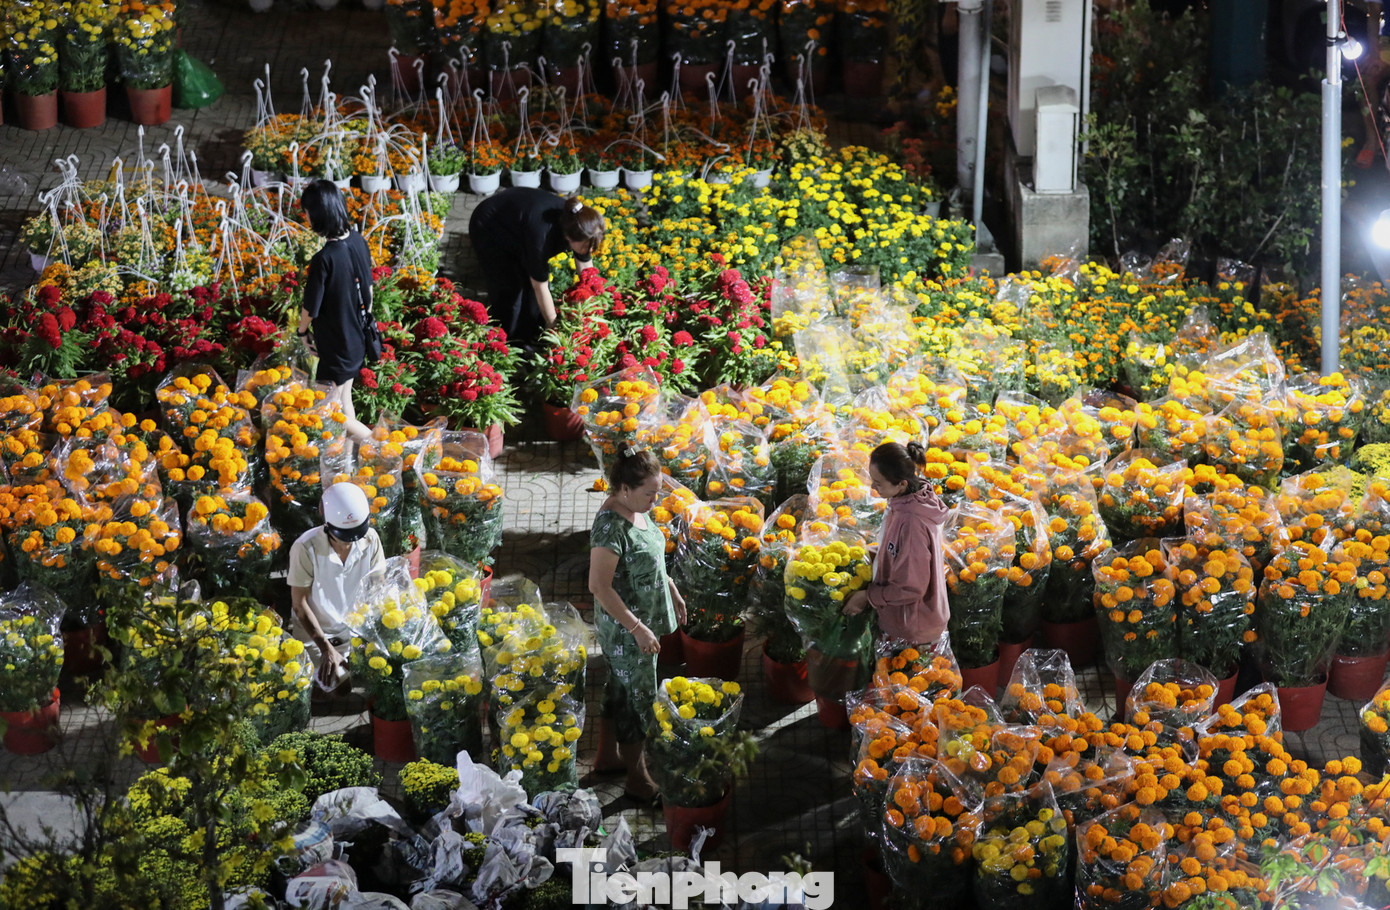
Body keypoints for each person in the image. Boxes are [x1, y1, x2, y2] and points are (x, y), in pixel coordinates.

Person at [587, 447, 686, 801]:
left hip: (638, 624)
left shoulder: (636, 510)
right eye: (650, 493)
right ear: (624, 489)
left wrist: (671, 588)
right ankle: (637, 778)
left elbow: (650, 553)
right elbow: (598, 586)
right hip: (627, 631)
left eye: (657, 492)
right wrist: (637, 629)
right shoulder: (611, 525)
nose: (655, 501)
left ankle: (606, 759)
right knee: (638, 700)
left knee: (619, 689)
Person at [842, 441, 950, 644]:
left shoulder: (911, 522)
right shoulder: (907, 500)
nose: (873, 487)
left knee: (900, 675)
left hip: (913, 627)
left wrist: (867, 596)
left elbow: (911, 587)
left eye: (878, 482)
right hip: (907, 618)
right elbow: (898, 552)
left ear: (901, 483)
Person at [467, 189, 606, 345]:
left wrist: (594, 301)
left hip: (519, 225)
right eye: (587, 246)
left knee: (530, 289)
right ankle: (510, 340)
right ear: (569, 237)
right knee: (509, 288)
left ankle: (533, 332)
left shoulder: (578, 223)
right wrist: (554, 328)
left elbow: (586, 269)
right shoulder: (542, 237)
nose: (590, 251)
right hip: (490, 227)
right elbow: (539, 286)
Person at [287, 483, 386, 697]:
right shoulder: (305, 547)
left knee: (387, 675)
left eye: (356, 535)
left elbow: (378, 586)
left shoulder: (370, 538)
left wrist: (372, 632)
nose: (350, 543)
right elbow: (299, 604)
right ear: (326, 522)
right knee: (341, 688)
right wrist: (326, 649)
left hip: (357, 630)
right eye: (344, 536)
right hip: (319, 635)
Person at [297, 178, 374, 443]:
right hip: (357, 339)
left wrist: (302, 332)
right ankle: (349, 459)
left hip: (337, 345)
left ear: (317, 215)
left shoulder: (324, 259)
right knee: (342, 400)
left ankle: (383, 449)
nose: (305, 217)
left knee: (327, 408)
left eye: (306, 212)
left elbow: (310, 307)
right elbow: (370, 293)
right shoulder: (358, 241)